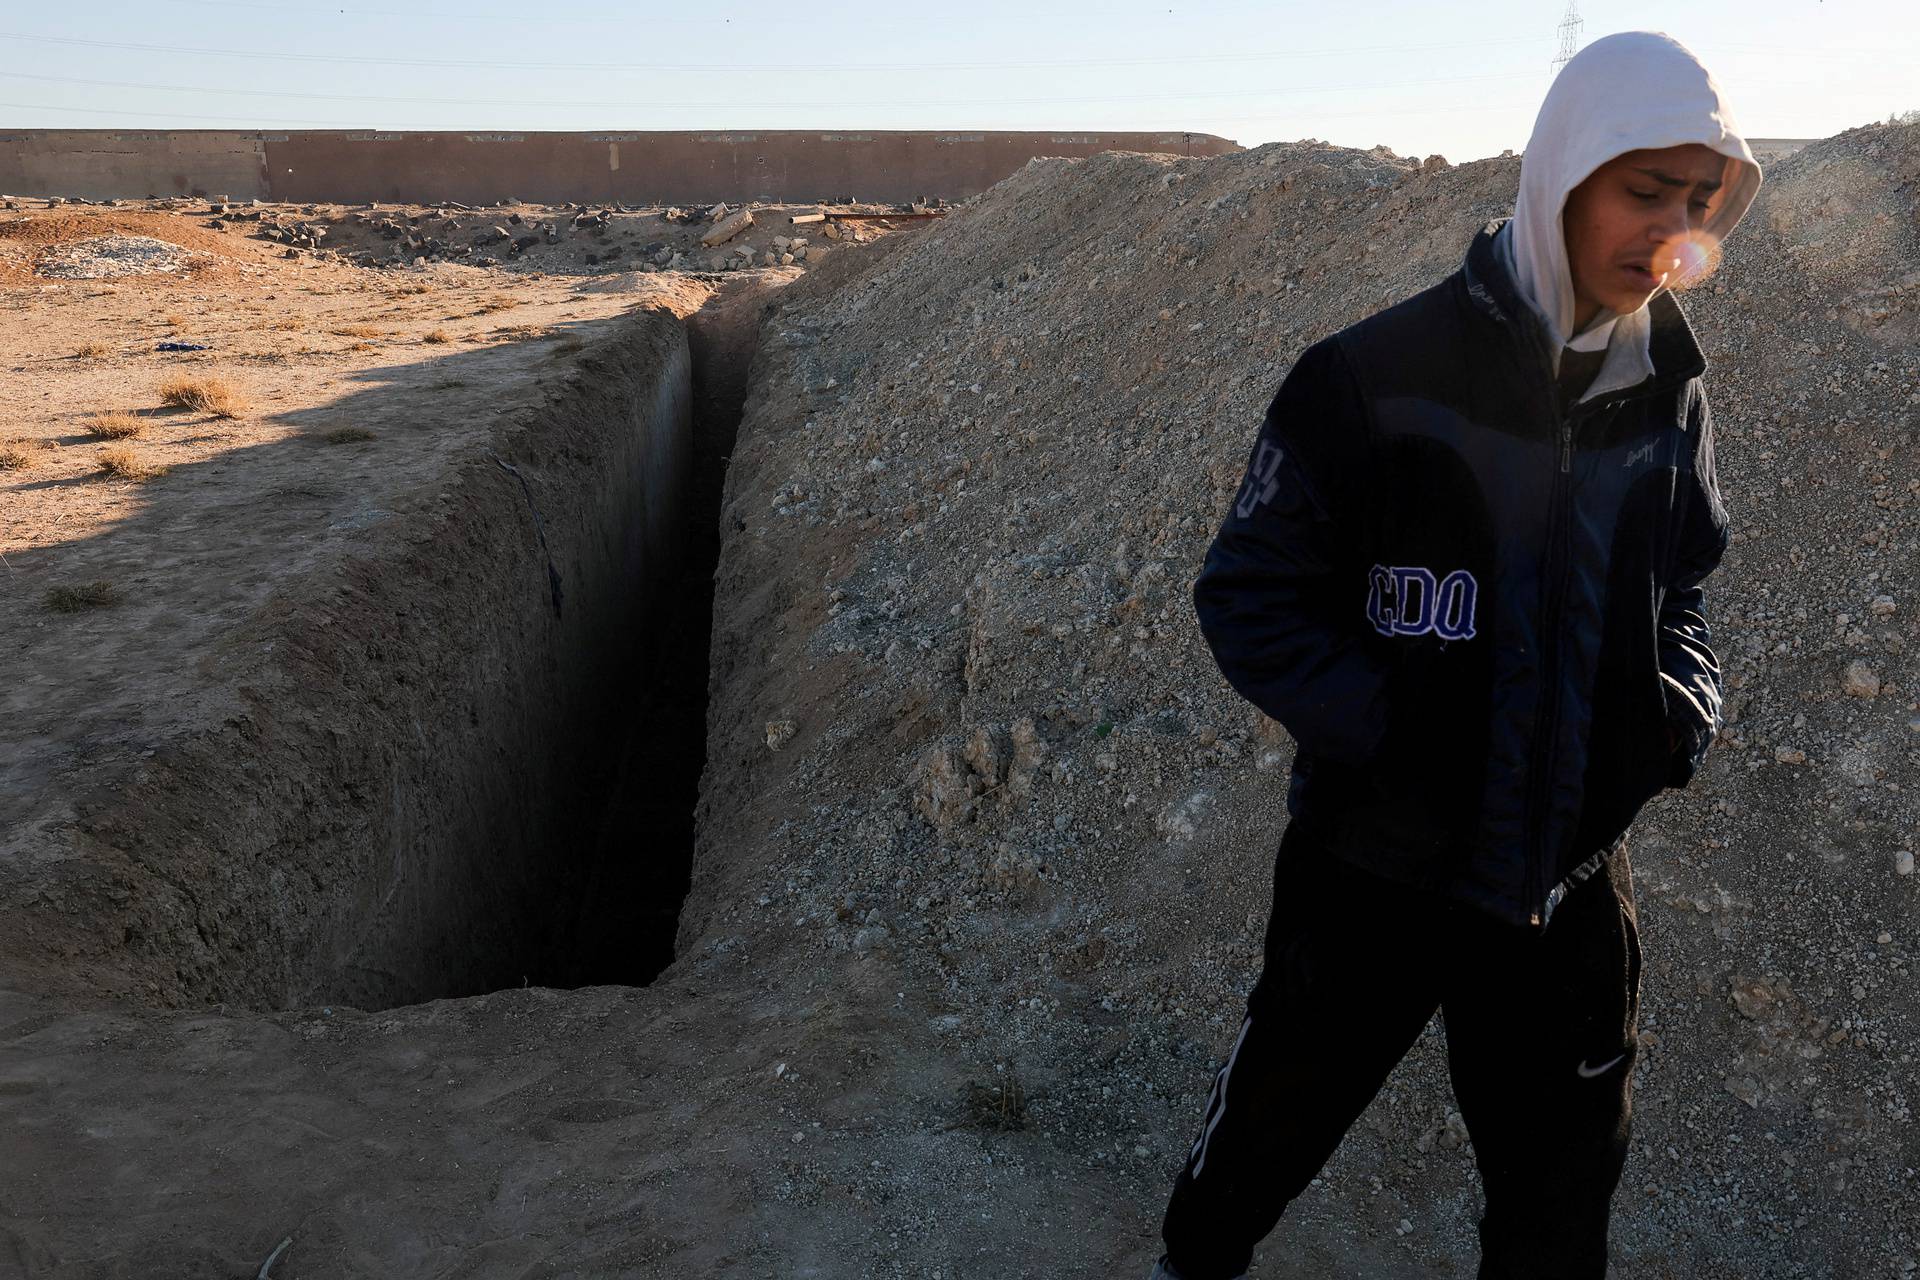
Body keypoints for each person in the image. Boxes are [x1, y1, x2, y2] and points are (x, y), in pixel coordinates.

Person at [1147, 31, 1761, 1280]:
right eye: (1645, 191)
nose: (1673, 231)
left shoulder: (1672, 393)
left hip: (1570, 889)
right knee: (1262, 1137)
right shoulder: (1372, 379)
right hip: (1374, 870)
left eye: (1700, 202)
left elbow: (1685, 583)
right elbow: (1248, 595)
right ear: (1563, 178)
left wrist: (1675, 714)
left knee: (1559, 1203)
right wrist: (1400, 728)